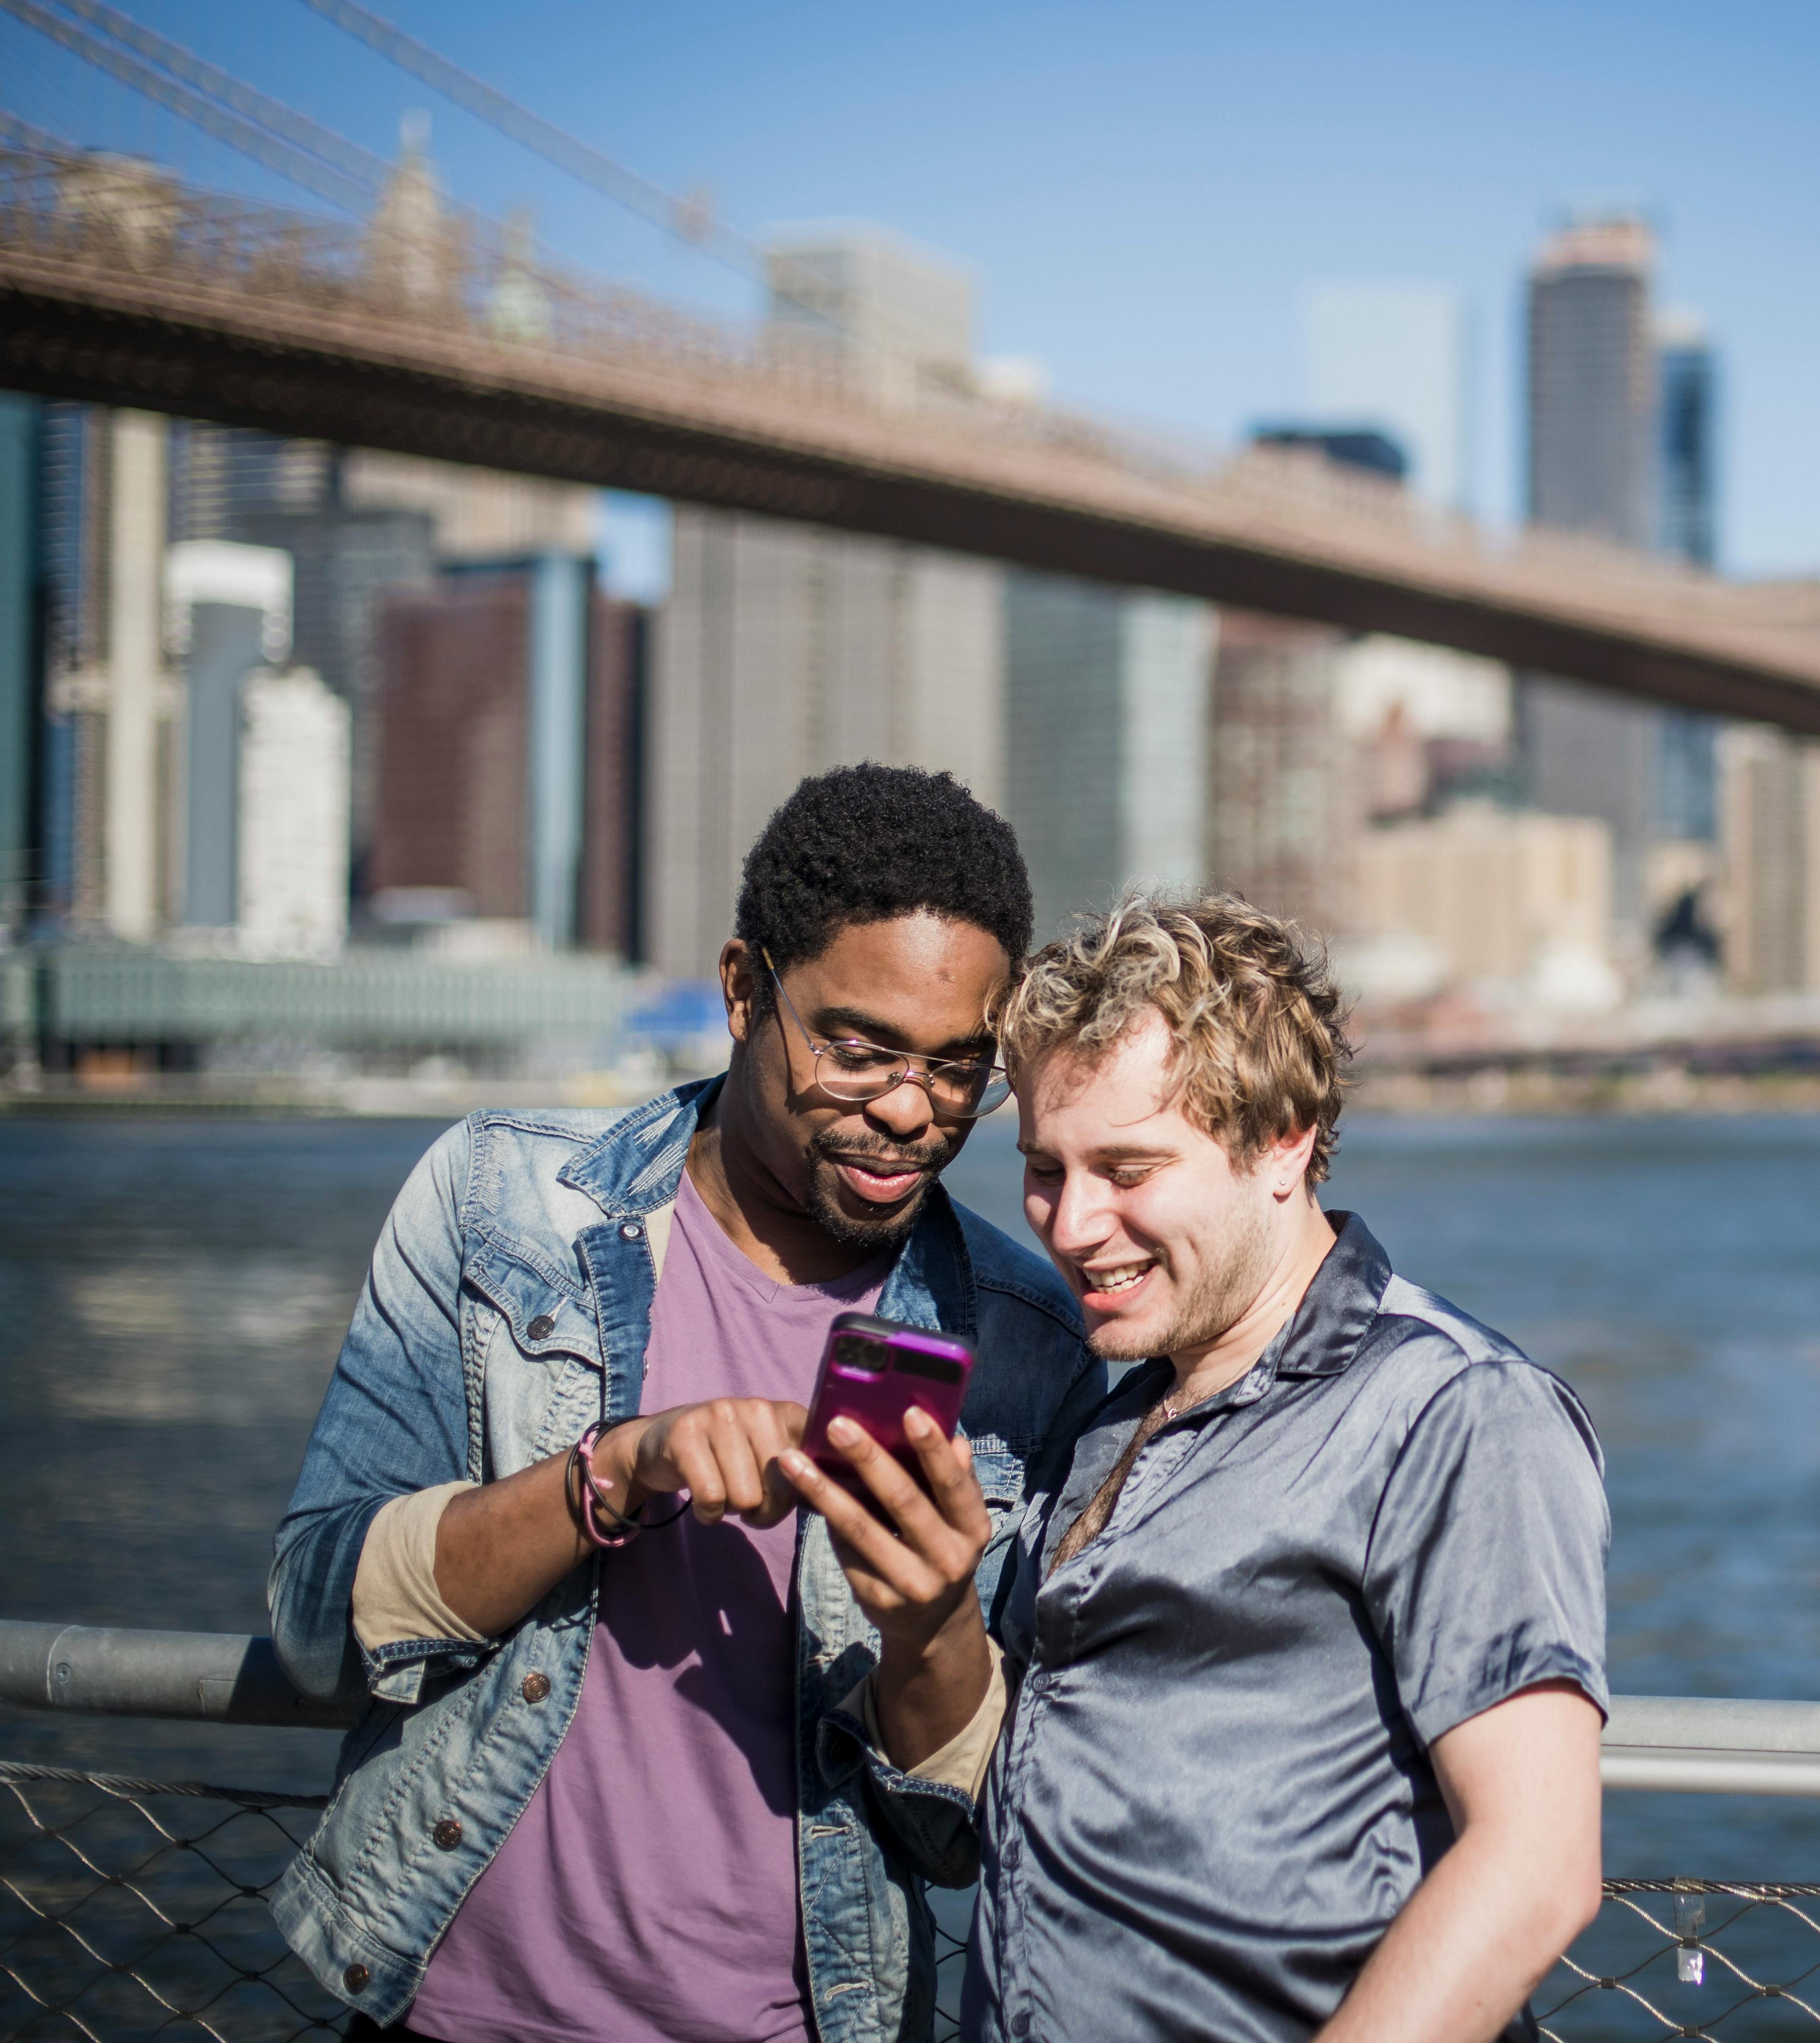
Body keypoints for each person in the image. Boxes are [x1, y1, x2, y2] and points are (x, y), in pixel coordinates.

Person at [269, 765, 1104, 2043]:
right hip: (441, 2014)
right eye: (858, 1046)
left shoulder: (1031, 1344)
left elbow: (967, 1838)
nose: (907, 1110)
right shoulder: (498, 1204)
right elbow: (317, 1615)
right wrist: (608, 1473)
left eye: (957, 1068)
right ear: (742, 990)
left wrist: (929, 1620)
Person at [789, 894, 1609, 2043]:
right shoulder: (1112, 1404)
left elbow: (1534, 1867)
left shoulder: (1457, 1410)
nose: (1071, 1223)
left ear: (1280, 1140)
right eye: (1045, 1169)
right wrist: (927, 1612)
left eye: (1127, 1168)